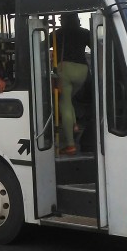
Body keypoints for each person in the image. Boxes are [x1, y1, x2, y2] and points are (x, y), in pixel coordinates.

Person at [52, 13, 91, 155]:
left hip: (65, 68)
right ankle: (74, 126)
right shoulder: (85, 33)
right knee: (70, 100)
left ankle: (70, 145)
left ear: (62, 21)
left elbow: (42, 46)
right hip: (82, 70)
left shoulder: (57, 34)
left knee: (64, 103)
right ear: (77, 20)